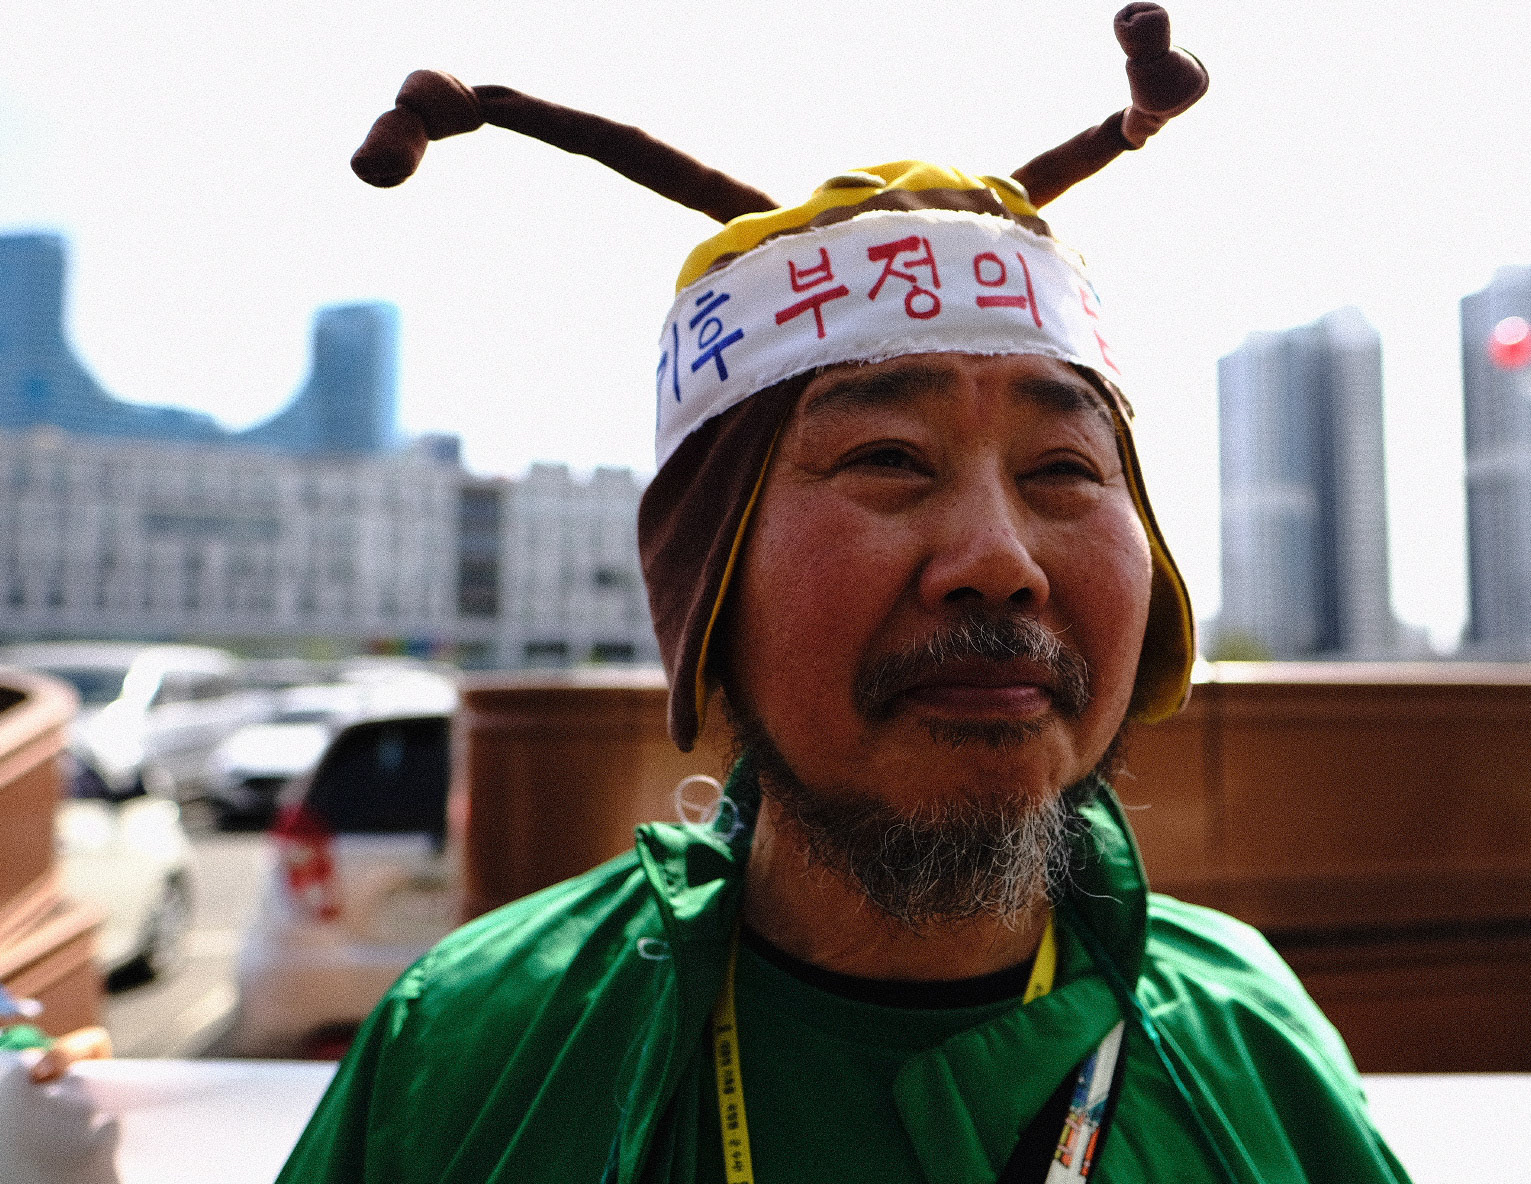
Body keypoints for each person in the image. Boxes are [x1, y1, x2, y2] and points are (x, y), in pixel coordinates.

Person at [281, 8, 1411, 1182]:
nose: (998, 558)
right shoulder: (467, 1052)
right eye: (887, 459)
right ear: (707, 578)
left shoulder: (1246, 1044)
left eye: (1065, 470)